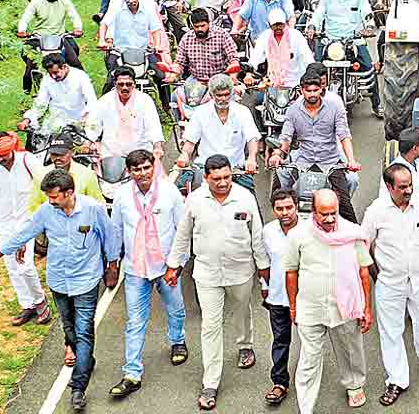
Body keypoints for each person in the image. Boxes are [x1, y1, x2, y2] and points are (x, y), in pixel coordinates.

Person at [0, 169, 120, 413]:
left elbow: (110, 238)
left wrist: (112, 265)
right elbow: (21, 235)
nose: (50, 202)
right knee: (69, 327)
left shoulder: (93, 209)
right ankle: (86, 360)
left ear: (69, 193)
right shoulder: (46, 212)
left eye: (54, 197)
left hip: (86, 281)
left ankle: (78, 387)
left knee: (84, 331)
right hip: (59, 281)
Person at [164, 156, 268, 410]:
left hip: (241, 272)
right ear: (206, 177)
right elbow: (182, 235)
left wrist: (264, 268)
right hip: (207, 274)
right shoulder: (196, 200)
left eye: (227, 177)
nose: (223, 183)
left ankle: (245, 345)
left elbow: (257, 234)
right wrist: (174, 265)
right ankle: (210, 383)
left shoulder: (245, 198)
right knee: (210, 326)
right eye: (217, 179)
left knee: (242, 312)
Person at [362, 163, 419, 406]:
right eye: (402, 187)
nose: (408, 190)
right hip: (389, 282)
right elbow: (362, 245)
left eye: (410, 185)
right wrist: (374, 272)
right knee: (391, 332)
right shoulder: (376, 211)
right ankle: (396, 380)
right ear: (389, 187)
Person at [107, 150, 187, 399]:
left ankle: (178, 340)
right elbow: (116, 231)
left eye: (146, 168)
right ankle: (132, 373)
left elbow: (182, 231)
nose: (142, 174)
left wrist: (178, 264)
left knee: (175, 308)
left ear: (153, 167)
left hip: (166, 266)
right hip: (135, 269)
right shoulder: (121, 197)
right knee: (134, 322)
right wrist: (113, 263)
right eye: (136, 170)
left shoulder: (169, 192)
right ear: (129, 172)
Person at [284, 188, 373, 411]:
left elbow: (364, 272)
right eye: (324, 214)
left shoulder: (353, 232)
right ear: (312, 211)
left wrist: (367, 308)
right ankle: (306, 406)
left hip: (347, 308)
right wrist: (293, 307)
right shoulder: (298, 235)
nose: (330, 218)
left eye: (333, 212)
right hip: (310, 308)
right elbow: (291, 272)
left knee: (351, 351)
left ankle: (355, 387)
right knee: (309, 359)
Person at [0, 131, 50, 326]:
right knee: (12, 268)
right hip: (4, 223)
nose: (0, 159)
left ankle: (41, 302)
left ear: (12, 149)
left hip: (28, 221)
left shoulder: (27, 160)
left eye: (4, 155)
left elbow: (47, 185)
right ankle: (27, 305)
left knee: (25, 266)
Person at [268, 74, 362, 221]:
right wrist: (278, 154)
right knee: (278, 193)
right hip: (302, 162)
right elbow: (286, 137)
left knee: (345, 206)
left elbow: (344, 135)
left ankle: (355, 241)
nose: (312, 94)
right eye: (308, 90)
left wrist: (351, 160)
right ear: (301, 91)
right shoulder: (293, 111)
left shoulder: (334, 108)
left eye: (315, 90)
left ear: (321, 90)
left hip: (330, 163)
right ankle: (280, 229)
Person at [308, 0, 380, 114]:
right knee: (313, 70)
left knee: (369, 71)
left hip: (354, 41)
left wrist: (370, 27)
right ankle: (309, 103)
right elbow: (318, 15)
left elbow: (367, 15)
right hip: (330, 41)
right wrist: (312, 27)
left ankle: (376, 105)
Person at [176, 73, 260, 191]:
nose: (223, 99)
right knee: (181, 196)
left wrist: (251, 158)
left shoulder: (242, 112)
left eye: (226, 95)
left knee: (251, 204)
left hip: (235, 170)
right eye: (219, 95)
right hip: (205, 170)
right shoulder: (200, 112)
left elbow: (252, 138)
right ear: (211, 95)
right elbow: (190, 142)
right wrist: (184, 155)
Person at [260, 190, 299, 406]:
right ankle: (280, 383)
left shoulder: (308, 229)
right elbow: (264, 262)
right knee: (281, 341)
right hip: (277, 297)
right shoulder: (268, 231)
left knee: (311, 343)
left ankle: (308, 383)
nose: (285, 213)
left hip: (305, 298)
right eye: (280, 209)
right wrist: (264, 287)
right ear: (274, 209)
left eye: (289, 207)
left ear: (296, 206)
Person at [89, 67, 165, 175]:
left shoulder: (145, 100)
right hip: (112, 153)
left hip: (140, 153)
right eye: (121, 84)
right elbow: (93, 124)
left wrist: (157, 147)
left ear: (134, 84)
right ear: (115, 84)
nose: (125, 87)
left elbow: (154, 126)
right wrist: (89, 141)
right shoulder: (104, 101)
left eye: (128, 84)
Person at [99, 0, 168, 98]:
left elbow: (156, 29)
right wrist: (102, 40)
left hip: (144, 52)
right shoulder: (117, 8)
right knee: (110, 80)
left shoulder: (147, 9)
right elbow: (104, 24)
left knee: (161, 76)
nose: (130, 1)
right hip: (120, 51)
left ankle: (167, 106)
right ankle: (103, 108)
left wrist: (157, 45)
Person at [17, 0, 84, 72]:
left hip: (60, 37)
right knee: (30, 69)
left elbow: (74, 15)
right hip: (39, 38)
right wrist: (22, 30)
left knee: (76, 65)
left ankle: (83, 85)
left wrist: (78, 28)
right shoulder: (36, 2)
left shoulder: (64, 1)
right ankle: (30, 85)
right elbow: (25, 18)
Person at [172, 7, 239, 90]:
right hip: (196, 79)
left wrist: (233, 77)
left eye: (203, 25)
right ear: (192, 25)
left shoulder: (222, 35)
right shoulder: (186, 38)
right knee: (176, 97)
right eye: (196, 26)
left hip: (219, 78)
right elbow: (179, 62)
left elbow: (233, 58)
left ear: (208, 23)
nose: (200, 29)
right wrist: (173, 74)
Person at [247, 9, 314, 89]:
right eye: (275, 25)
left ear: (285, 23)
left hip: (295, 84)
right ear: (270, 25)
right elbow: (256, 56)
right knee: (259, 99)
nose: (278, 27)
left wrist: (312, 75)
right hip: (272, 83)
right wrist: (249, 74)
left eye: (280, 24)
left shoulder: (296, 35)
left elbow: (307, 56)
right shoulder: (265, 37)